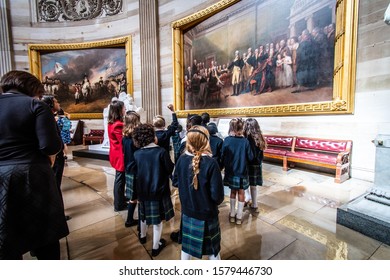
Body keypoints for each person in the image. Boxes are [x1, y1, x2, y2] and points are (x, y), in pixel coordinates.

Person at [0, 70, 69, 259]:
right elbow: (50, 145)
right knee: (45, 236)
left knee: (6, 234)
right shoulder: (34, 105)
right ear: (32, 88)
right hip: (32, 173)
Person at [173, 125, 224, 260]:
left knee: (186, 247)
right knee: (213, 251)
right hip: (207, 214)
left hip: (188, 211)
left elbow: (175, 182)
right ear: (206, 141)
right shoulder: (211, 163)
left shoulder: (181, 160)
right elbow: (217, 197)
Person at [133, 124, 175, 257]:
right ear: (153, 137)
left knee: (143, 216)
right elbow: (169, 169)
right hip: (159, 191)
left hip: (143, 191)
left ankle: (143, 236)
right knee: (158, 221)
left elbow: (136, 172)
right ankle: (156, 246)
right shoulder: (161, 152)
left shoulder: (137, 153)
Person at [42, 96, 71, 221]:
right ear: (50, 104)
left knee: (56, 184)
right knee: (54, 185)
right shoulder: (47, 118)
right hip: (55, 157)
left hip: (58, 155)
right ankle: (57, 214)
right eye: (56, 101)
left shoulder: (51, 118)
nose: (58, 103)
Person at [221, 118, 254, 225]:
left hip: (231, 171)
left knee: (232, 192)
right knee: (241, 192)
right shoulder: (245, 142)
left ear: (231, 128)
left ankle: (232, 214)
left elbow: (222, 156)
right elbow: (251, 157)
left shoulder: (226, 140)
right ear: (242, 128)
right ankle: (239, 216)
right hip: (242, 171)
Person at [243, 118, 267, 212]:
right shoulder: (260, 136)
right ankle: (254, 203)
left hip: (248, 163)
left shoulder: (247, 138)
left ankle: (247, 197)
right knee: (253, 185)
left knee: (246, 183)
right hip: (257, 164)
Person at [108, 99, 127, 212]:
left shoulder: (112, 123)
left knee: (120, 179)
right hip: (120, 155)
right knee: (120, 180)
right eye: (124, 108)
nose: (125, 110)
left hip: (116, 153)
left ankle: (121, 199)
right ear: (119, 110)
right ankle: (118, 204)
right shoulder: (118, 125)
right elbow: (123, 141)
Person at [122, 110, 141, 228]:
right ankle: (130, 220)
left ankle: (131, 219)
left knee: (133, 196)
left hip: (128, 167)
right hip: (136, 168)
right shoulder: (135, 137)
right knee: (136, 197)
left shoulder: (125, 137)